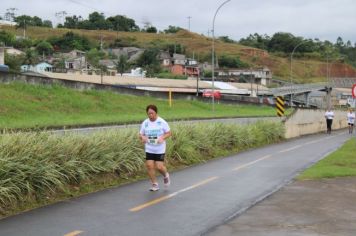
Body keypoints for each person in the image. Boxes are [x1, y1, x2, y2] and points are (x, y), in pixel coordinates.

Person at [139, 104, 172, 191]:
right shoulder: (145, 123)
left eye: (152, 113)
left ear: (156, 113)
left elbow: (169, 133)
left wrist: (162, 138)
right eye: (149, 114)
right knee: (149, 166)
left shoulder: (162, 122)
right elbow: (141, 134)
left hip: (159, 148)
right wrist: (142, 137)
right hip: (149, 148)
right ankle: (154, 184)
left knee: (159, 167)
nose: (151, 115)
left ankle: (166, 175)